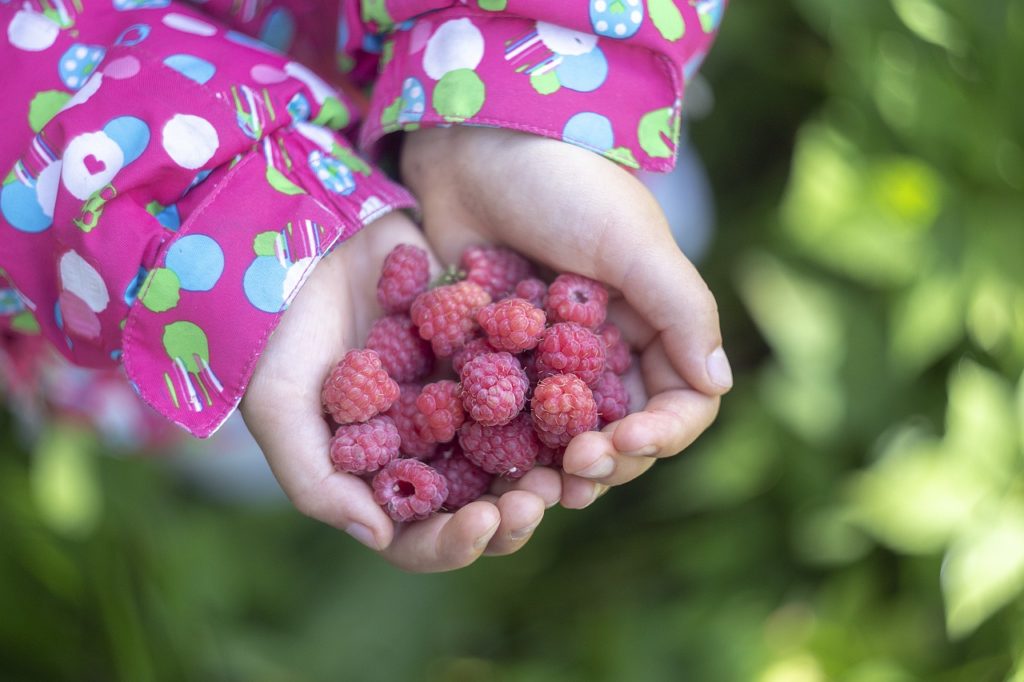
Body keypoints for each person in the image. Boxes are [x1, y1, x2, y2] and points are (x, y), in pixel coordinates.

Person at [0, 0, 731, 572]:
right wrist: (219, 223)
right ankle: (232, 443)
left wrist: (519, 109)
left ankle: (583, 142)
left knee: (651, 218)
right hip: (136, 264)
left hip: (478, 80)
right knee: (242, 427)